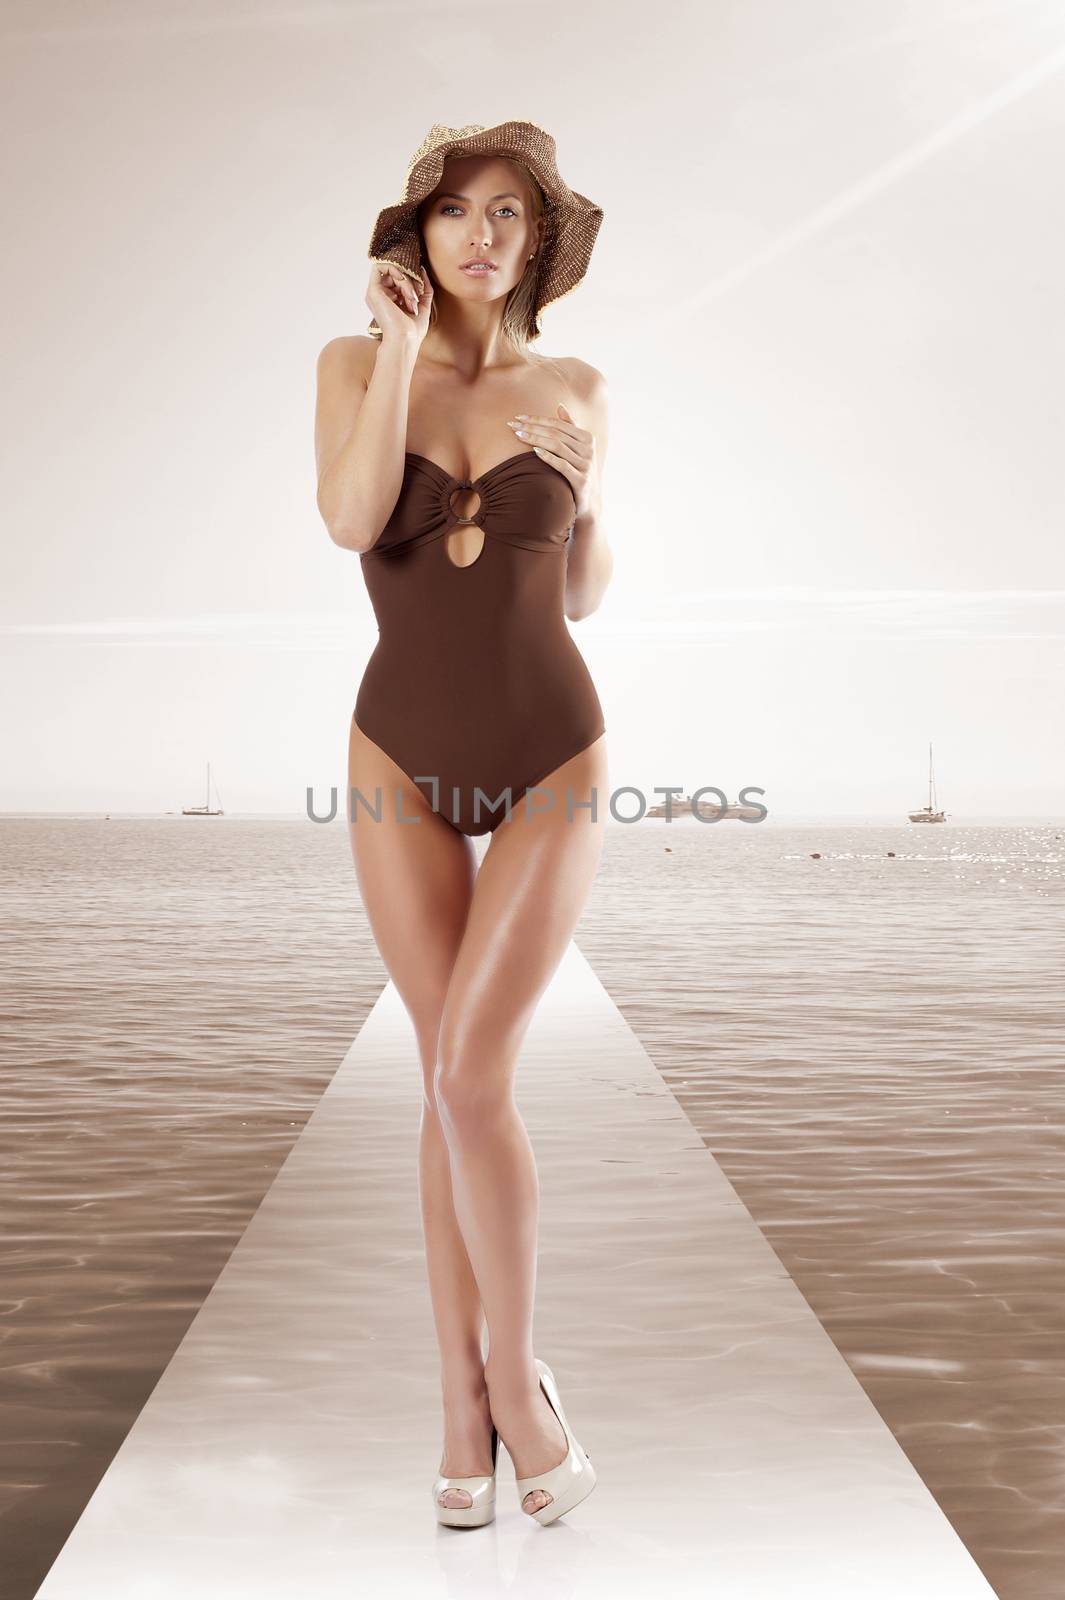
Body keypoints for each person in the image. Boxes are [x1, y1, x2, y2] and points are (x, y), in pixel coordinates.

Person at [314, 121, 613, 1527]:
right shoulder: (349, 367)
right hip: (397, 756)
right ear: (417, 234)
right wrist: (388, 355)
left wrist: (590, 486)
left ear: (538, 241)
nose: (480, 233)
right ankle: (461, 1402)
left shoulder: (577, 382)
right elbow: (351, 517)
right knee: (441, 1076)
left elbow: (584, 592)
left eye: (507, 214)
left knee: (472, 1074)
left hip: (553, 748)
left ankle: (512, 1383)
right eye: (453, 211)